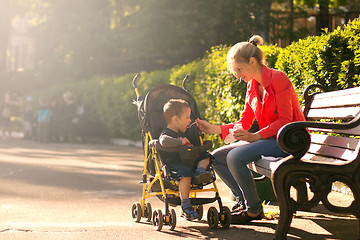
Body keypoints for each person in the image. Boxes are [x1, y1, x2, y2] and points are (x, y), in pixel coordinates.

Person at [195, 35, 306, 224]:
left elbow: (285, 121)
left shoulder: (278, 79)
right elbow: (244, 122)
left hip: (290, 140)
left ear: (252, 61)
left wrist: (255, 136)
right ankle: (244, 203)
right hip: (269, 140)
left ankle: (253, 210)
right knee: (217, 157)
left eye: (239, 69)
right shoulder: (251, 86)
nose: (237, 75)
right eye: (235, 71)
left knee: (235, 157)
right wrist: (215, 129)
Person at [159, 99, 212, 221]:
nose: (190, 120)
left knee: (207, 156)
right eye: (187, 117)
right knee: (186, 173)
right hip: (175, 165)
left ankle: (200, 171)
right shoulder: (167, 133)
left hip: (190, 161)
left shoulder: (186, 132)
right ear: (175, 119)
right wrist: (180, 141)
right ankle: (186, 204)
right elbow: (163, 141)